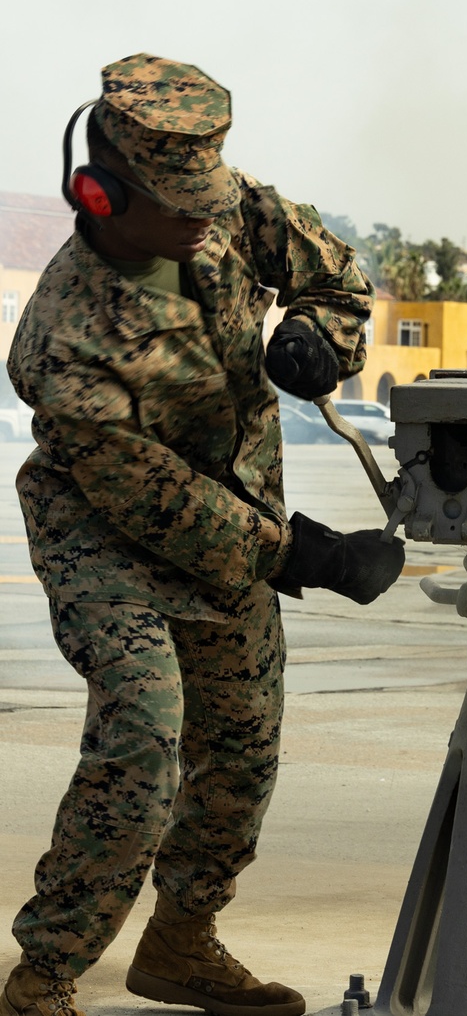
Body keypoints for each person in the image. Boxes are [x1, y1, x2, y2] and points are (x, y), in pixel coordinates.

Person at [0, 54, 405, 1016]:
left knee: (243, 743)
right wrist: (306, 554)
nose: (200, 219)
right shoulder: (64, 337)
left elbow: (339, 277)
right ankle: (46, 969)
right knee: (144, 733)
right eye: (175, 203)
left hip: (233, 509)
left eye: (207, 196)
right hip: (107, 540)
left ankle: (181, 944)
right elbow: (153, 498)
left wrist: (318, 337)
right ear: (97, 193)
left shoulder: (225, 210)